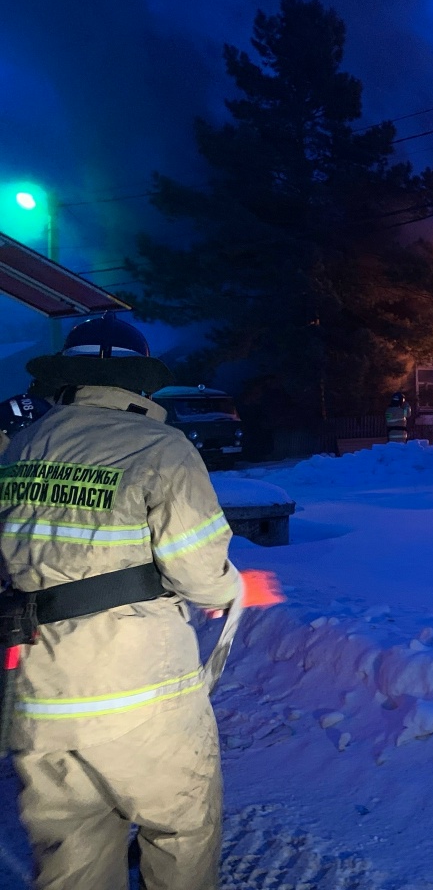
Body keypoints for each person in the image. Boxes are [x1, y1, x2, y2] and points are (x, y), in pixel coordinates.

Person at [0, 313, 240, 890]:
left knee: (72, 856)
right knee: (180, 829)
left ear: (69, 376)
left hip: (40, 690)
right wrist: (231, 587)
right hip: (140, 695)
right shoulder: (162, 447)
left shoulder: (21, 446)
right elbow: (202, 576)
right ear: (140, 384)